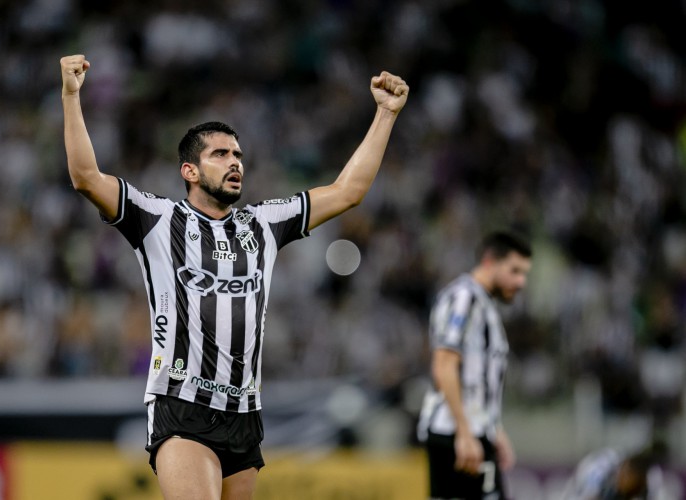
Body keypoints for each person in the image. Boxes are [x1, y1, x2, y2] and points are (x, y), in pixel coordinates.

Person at [59, 54, 408, 500]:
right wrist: (72, 96)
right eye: (220, 154)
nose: (235, 162)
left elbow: (348, 192)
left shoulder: (263, 223)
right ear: (190, 171)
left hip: (244, 412)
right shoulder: (158, 219)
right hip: (182, 405)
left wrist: (385, 114)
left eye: (238, 155)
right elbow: (86, 177)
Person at [416, 231, 533, 500]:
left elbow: (478, 381)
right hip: (455, 434)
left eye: (524, 273)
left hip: (472, 431)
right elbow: (444, 365)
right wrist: (464, 433)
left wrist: (494, 429)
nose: (521, 281)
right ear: (490, 261)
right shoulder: (463, 300)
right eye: (515, 271)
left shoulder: (483, 304)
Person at [561, 446, 667, 500]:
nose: (621, 477)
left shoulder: (652, 477)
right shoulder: (598, 467)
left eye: (627, 476)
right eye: (622, 473)